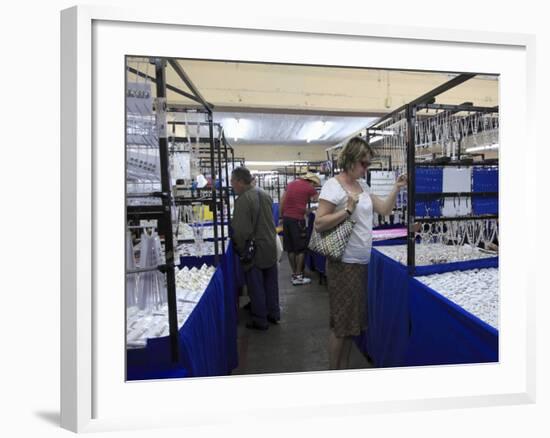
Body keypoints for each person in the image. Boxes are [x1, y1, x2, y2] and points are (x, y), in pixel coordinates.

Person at [314, 137, 407, 369]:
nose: (366, 169)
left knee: (351, 326)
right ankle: (334, 373)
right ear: (351, 160)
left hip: (363, 262)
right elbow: (319, 223)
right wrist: (346, 209)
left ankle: (342, 370)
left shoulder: (363, 186)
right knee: (341, 325)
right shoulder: (333, 186)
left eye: (368, 164)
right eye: (364, 164)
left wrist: (396, 188)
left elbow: (384, 209)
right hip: (344, 263)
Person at [231, 167, 280, 330]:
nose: (232, 185)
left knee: (256, 285)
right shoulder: (265, 195)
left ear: (239, 181)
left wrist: (239, 248)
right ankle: (273, 313)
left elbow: (240, 230)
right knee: (271, 283)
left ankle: (260, 319)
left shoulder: (243, 200)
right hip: (270, 245)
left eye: (232, 182)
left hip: (255, 249)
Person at [279, 172, 320, 285]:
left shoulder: (291, 184)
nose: (315, 187)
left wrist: (281, 216)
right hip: (297, 220)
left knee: (290, 248)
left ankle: (295, 274)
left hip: (287, 218)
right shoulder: (309, 188)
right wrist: (314, 207)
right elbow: (319, 200)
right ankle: (298, 277)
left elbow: (282, 201)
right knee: (301, 249)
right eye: (315, 185)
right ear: (311, 182)